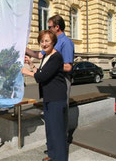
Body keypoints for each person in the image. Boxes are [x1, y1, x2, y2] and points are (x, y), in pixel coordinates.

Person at [26, 14, 74, 153]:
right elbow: (39, 55)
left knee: (59, 117)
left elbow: (68, 66)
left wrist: (51, 68)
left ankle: (60, 145)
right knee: (51, 120)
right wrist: (24, 48)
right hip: (49, 81)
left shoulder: (65, 42)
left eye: (50, 26)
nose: (48, 29)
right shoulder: (51, 42)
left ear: (57, 27)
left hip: (60, 80)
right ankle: (52, 148)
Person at [22, 30, 67, 161]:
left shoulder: (56, 57)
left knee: (57, 130)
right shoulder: (47, 56)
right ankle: (52, 154)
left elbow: (42, 76)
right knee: (50, 128)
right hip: (48, 97)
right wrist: (31, 65)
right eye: (42, 41)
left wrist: (26, 72)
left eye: (47, 41)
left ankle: (60, 158)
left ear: (53, 42)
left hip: (56, 98)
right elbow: (41, 74)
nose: (44, 43)